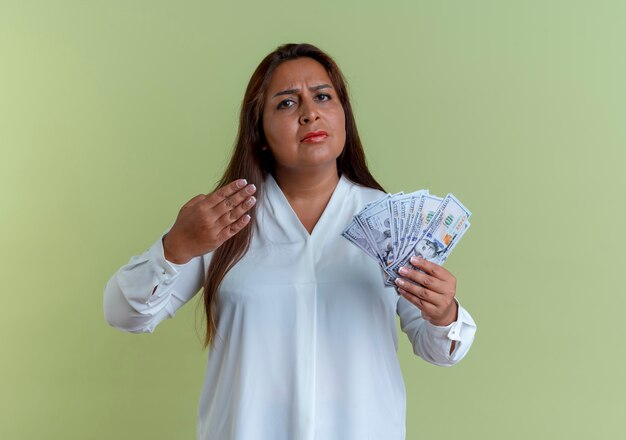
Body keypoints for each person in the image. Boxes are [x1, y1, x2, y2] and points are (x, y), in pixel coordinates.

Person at [103, 43, 477, 440]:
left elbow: (441, 351)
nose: (309, 112)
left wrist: (444, 313)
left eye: (322, 96)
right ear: (259, 132)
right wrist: (176, 246)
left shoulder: (388, 220)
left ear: (343, 115)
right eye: (285, 103)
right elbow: (123, 314)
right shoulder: (223, 219)